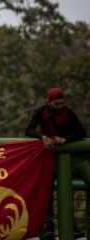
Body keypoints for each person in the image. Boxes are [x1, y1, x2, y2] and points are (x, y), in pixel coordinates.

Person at [25, 87, 86, 240]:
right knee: (46, 194)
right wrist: (42, 137)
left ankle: (75, 231)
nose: (59, 107)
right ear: (49, 102)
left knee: (66, 194)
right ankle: (48, 231)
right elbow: (28, 130)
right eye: (56, 104)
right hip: (47, 159)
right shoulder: (41, 112)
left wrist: (64, 140)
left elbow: (81, 132)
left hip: (66, 159)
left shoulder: (69, 113)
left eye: (61, 104)